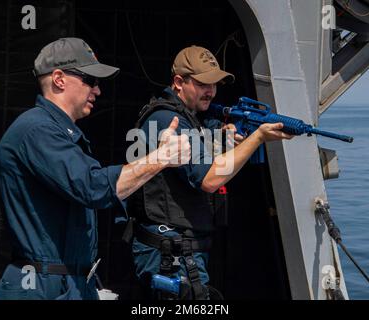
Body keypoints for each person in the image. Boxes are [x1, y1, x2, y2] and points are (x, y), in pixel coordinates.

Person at [0, 37, 191, 300]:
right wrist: (161, 157)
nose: (97, 90)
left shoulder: (56, 131)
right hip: (42, 286)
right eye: (90, 80)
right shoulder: (37, 130)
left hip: (64, 281)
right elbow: (93, 187)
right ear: (59, 79)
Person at [126, 45, 293, 300]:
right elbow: (209, 179)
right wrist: (257, 137)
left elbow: (199, 148)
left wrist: (223, 140)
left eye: (214, 85)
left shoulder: (192, 119)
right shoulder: (165, 119)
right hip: (169, 255)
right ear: (179, 82)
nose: (211, 92)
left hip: (183, 252)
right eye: (204, 84)